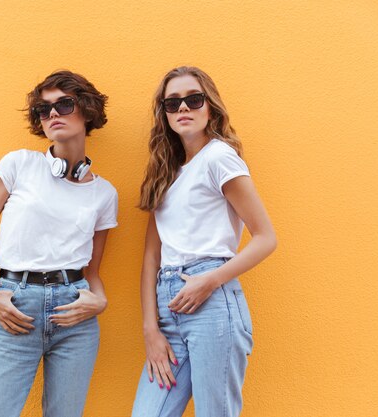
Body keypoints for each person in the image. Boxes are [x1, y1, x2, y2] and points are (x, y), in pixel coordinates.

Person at [0, 70, 118, 417]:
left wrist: (101, 301)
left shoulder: (104, 193)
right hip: (16, 307)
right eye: (43, 108)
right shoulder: (19, 164)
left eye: (64, 104)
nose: (52, 114)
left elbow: (93, 271)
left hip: (74, 317)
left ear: (87, 110)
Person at [131, 66, 277, 417]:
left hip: (211, 300)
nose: (183, 108)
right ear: (163, 113)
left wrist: (209, 281)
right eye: (173, 102)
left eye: (193, 100)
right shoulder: (166, 171)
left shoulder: (219, 157)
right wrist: (151, 329)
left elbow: (266, 238)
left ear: (209, 107)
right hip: (168, 307)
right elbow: (152, 257)